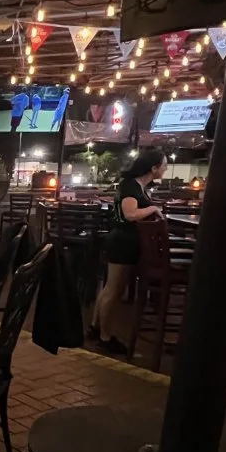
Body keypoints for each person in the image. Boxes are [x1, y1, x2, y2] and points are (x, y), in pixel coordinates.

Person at [90, 149, 168, 354]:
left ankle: (95, 328)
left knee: (110, 288)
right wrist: (153, 209)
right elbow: (130, 214)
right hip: (123, 242)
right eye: (164, 166)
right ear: (153, 168)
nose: (165, 169)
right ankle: (105, 338)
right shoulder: (132, 186)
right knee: (114, 290)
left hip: (123, 241)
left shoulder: (136, 186)